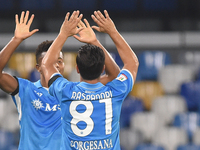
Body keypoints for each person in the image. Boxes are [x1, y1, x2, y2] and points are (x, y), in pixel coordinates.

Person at [0, 10, 119, 150]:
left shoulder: (73, 91)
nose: (56, 65)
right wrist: (16, 40)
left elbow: (114, 77)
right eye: (51, 61)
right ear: (39, 67)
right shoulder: (25, 89)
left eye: (60, 61)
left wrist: (94, 42)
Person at [41, 10, 139, 150]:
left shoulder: (65, 91)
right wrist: (111, 32)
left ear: (77, 69)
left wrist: (63, 34)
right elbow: (132, 63)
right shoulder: (116, 91)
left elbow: (46, 64)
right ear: (103, 68)